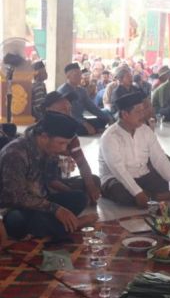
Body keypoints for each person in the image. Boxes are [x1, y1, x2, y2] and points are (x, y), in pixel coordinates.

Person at [0, 112, 97, 241]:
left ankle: (53, 227)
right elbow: (16, 198)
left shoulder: (48, 149)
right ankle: (74, 224)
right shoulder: (15, 154)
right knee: (18, 220)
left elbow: (50, 180)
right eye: (61, 143)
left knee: (79, 198)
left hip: (41, 202)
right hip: (13, 208)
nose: (64, 148)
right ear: (44, 137)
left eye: (66, 144)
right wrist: (56, 209)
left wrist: (65, 197)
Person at [99, 92, 170, 208]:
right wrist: (137, 192)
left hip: (143, 175)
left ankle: (154, 196)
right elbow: (118, 170)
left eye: (143, 110)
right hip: (116, 179)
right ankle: (159, 196)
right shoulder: (110, 136)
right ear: (125, 114)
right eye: (138, 112)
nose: (143, 115)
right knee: (122, 194)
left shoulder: (145, 130)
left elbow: (160, 159)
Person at [40, 91, 102, 205]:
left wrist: (90, 186)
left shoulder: (69, 134)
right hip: (40, 185)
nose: (69, 115)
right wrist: (73, 193)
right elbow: (46, 179)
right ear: (48, 111)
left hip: (59, 181)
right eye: (63, 110)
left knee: (94, 180)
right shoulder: (41, 137)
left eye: (69, 110)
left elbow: (81, 162)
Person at [58, 63, 113, 136]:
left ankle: (95, 129)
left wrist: (107, 118)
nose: (79, 77)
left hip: (81, 119)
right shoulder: (63, 91)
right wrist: (85, 124)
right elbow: (69, 114)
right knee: (77, 129)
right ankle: (96, 129)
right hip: (69, 121)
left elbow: (92, 107)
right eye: (76, 75)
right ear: (68, 76)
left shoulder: (81, 91)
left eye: (80, 74)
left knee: (104, 117)